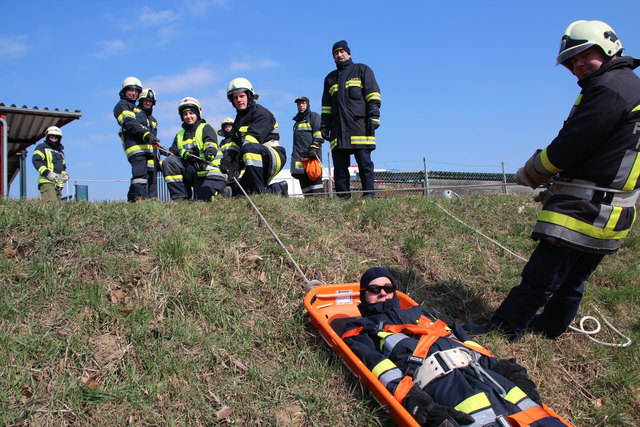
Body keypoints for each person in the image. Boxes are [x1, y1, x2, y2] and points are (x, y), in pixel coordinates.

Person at [465, 20, 640, 343]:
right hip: (614, 212)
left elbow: (572, 144)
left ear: (608, 47)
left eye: (583, 56)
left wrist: (533, 171)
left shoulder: (610, 89)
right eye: (572, 62)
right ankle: (551, 328)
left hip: (582, 207)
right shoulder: (629, 86)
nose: (577, 67)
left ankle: (505, 329)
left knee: (540, 276)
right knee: (574, 279)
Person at [339, 267, 569, 427]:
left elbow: (464, 343)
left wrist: (505, 368)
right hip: (441, 384)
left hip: (483, 374)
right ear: (363, 297)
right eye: (374, 289)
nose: (382, 293)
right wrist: (423, 408)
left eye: (388, 288)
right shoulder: (362, 329)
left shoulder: (422, 313)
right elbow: (383, 373)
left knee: (537, 418)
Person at [321, 40, 380, 199]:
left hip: (359, 127)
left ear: (349, 53)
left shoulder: (363, 70)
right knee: (340, 169)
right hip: (338, 131)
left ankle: (369, 196)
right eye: (335, 53)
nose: (339, 55)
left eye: (342, 52)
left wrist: (374, 116)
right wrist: (324, 127)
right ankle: (343, 199)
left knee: (365, 165)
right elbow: (326, 107)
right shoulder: (330, 79)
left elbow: (373, 95)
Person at [221, 77, 288, 196]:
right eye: (235, 97)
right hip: (254, 156)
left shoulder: (262, 114)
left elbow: (251, 141)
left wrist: (237, 163)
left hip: (273, 156)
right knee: (241, 194)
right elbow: (236, 145)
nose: (239, 100)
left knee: (249, 148)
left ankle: (260, 193)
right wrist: (227, 160)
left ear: (249, 96)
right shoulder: (238, 121)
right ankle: (279, 189)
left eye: (241, 96)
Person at [161, 97, 226, 201]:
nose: (188, 116)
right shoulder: (179, 135)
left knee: (204, 201)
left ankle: (225, 191)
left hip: (209, 172)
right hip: (192, 171)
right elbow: (173, 155)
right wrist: (164, 151)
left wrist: (209, 154)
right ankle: (181, 198)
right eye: (185, 114)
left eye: (191, 113)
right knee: (168, 162)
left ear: (197, 113)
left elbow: (210, 144)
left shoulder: (205, 128)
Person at [113, 76, 160, 202]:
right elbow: (129, 123)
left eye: (136, 91)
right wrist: (145, 134)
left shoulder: (147, 116)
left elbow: (152, 136)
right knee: (140, 176)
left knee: (150, 176)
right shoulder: (123, 106)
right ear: (124, 91)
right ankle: (140, 201)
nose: (133, 93)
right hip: (136, 148)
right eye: (131, 91)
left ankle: (145, 201)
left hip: (149, 151)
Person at [291, 96, 324, 197]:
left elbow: (319, 135)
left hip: (312, 158)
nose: (301, 105)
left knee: (316, 189)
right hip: (300, 159)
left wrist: (314, 148)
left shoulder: (314, 117)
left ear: (308, 104)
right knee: (306, 190)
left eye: (303, 103)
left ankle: (321, 208)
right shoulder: (297, 122)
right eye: (299, 104)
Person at [32, 126, 69, 202]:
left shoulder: (60, 152)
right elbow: (36, 161)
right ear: (47, 137)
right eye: (51, 137)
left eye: (55, 138)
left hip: (58, 184)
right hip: (46, 181)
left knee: (57, 208)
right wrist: (47, 173)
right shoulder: (41, 147)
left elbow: (63, 167)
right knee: (52, 204)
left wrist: (64, 175)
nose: (53, 140)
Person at [136, 88, 159, 198]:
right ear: (140, 101)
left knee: (152, 177)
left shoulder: (153, 120)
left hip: (152, 153)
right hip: (140, 152)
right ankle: (139, 200)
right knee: (141, 178)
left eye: (150, 101)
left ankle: (153, 201)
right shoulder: (135, 114)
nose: (148, 103)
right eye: (146, 100)